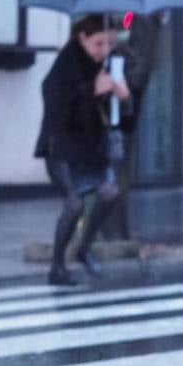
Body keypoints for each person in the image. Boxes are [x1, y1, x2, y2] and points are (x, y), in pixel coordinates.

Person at [34, 15, 131, 286]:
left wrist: (124, 98)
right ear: (82, 38)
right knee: (74, 203)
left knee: (110, 192)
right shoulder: (65, 66)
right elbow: (58, 111)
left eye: (110, 43)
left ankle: (84, 248)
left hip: (91, 148)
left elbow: (122, 119)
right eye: (98, 43)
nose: (104, 50)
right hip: (61, 148)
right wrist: (91, 90)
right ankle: (56, 267)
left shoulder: (110, 65)